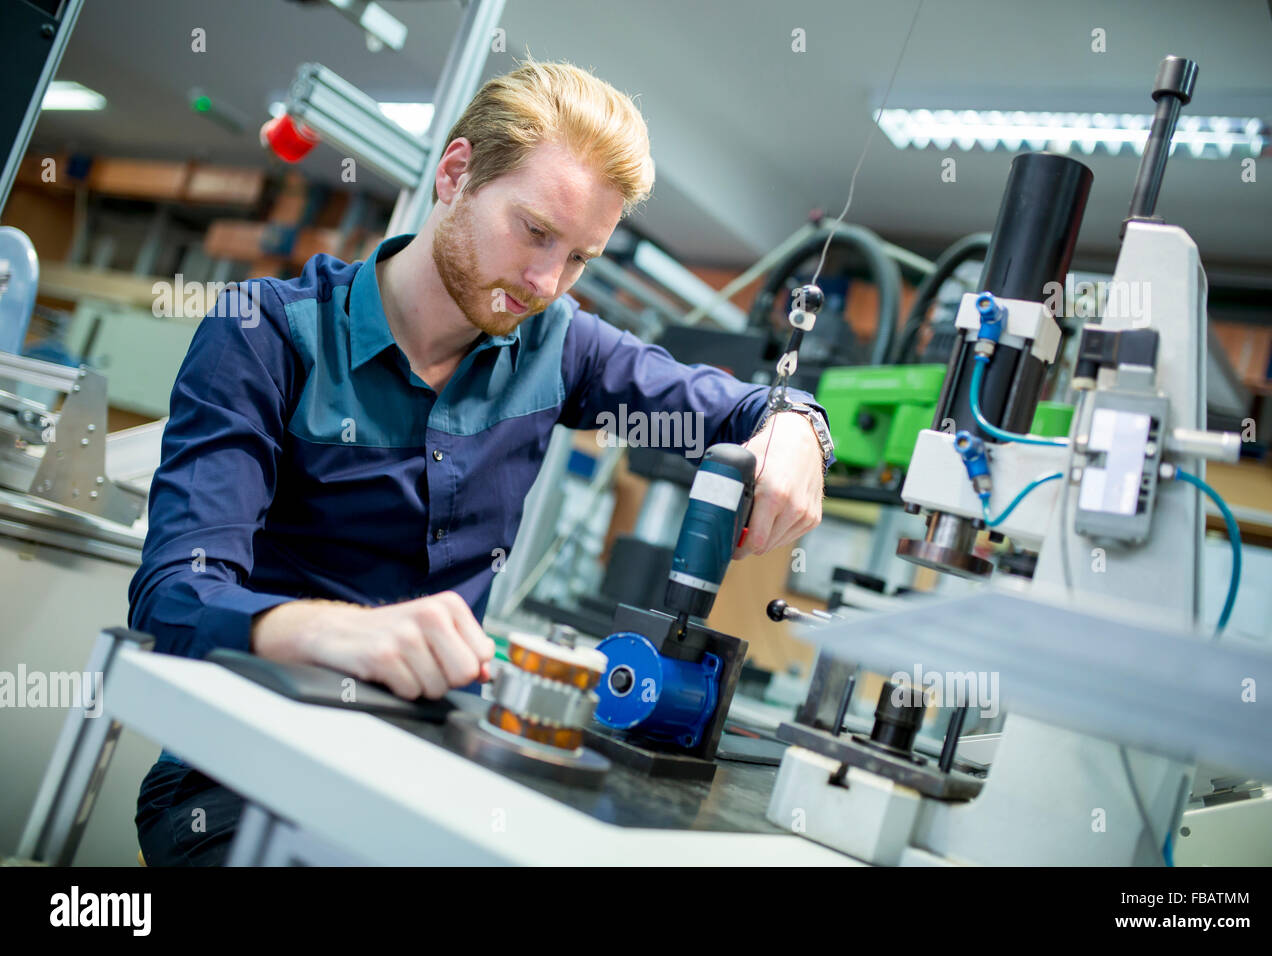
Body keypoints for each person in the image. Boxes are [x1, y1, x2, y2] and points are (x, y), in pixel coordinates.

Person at [131, 60, 833, 865]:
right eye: (535, 232)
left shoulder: (559, 349)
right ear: (456, 174)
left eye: (578, 258)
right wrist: (338, 635)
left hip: (437, 775)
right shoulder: (266, 337)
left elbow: (741, 407)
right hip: (239, 773)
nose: (545, 283)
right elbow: (175, 599)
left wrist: (795, 427)